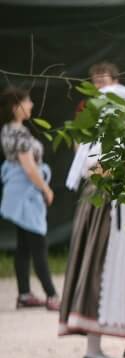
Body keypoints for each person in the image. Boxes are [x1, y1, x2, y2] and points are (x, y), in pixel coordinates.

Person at [59, 63, 125, 358]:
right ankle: (92, 348)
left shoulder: (118, 135)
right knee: (99, 267)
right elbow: (98, 168)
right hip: (104, 207)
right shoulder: (98, 137)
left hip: (119, 205)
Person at [1, 87, 59, 310]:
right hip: (27, 194)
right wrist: (46, 188)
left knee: (24, 246)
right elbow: (29, 167)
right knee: (38, 244)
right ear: (17, 107)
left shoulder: (9, 130)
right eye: (28, 102)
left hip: (18, 193)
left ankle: (24, 294)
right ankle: (52, 295)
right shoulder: (18, 133)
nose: (31, 105)